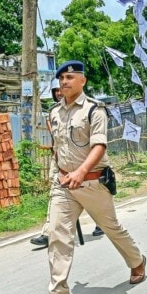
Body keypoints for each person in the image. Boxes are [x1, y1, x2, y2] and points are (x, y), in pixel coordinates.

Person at [34, 60, 146, 294]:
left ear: (82, 81)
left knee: (111, 228)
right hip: (63, 185)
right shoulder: (54, 113)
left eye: (70, 77)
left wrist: (81, 172)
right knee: (57, 235)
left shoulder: (95, 110)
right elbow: (57, 148)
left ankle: (137, 260)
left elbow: (99, 146)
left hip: (93, 182)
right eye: (61, 78)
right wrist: (57, 175)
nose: (64, 82)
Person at [29, 79, 103, 248]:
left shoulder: (87, 109)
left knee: (91, 196)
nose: (59, 93)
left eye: (61, 89)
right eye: (56, 90)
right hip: (60, 161)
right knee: (56, 194)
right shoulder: (53, 112)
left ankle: (101, 221)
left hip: (83, 160)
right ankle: (49, 232)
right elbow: (56, 138)